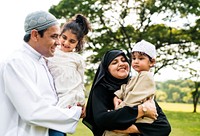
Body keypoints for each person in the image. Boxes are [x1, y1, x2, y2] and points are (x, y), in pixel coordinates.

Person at [0, 11, 83, 136]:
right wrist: (75, 113)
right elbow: (32, 111)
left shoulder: (43, 61)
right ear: (35, 35)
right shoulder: (16, 62)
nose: (58, 42)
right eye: (54, 36)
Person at [82, 49, 171, 136]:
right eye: (114, 62)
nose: (121, 64)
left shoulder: (136, 85)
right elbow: (102, 120)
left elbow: (164, 127)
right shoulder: (101, 90)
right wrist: (142, 110)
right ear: (107, 69)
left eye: (124, 60)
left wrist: (127, 127)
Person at [47, 14, 91, 136]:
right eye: (64, 37)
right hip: (54, 97)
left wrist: (83, 103)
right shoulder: (51, 53)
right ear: (59, 36)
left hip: (70, 98)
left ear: (78, 43)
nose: (66, 43)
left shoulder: (77, 59)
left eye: (72, 41)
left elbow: (80, 81)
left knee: (57, 130)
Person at [104, 40, 159, 136]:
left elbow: (134, 97)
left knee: (113, 133)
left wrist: (119, 110)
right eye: (134, 58)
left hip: (141, 120)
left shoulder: (146, 77)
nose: (136, 61)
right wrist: (117, 96)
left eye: (141, 58)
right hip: (133, 116)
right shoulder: (135, 77)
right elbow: (125, 88)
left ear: (152, 62)